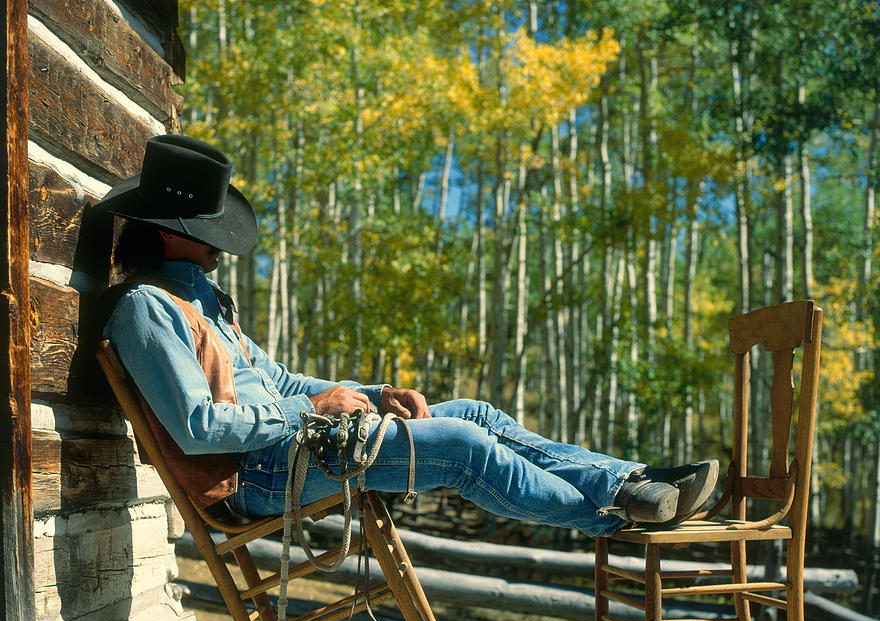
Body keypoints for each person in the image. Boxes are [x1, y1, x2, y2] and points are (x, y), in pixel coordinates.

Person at [92, 134, 717, 537]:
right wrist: (310, 409)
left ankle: (629, 481)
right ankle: (616, 517)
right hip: (255, 475)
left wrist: (369, 391)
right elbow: (199, 428)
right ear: (171, 231)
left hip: (293, 445)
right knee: (463, 445)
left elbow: (274, 380)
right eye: (209, 230)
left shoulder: (198, 298)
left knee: (476, 411)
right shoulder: (147, 309)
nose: (222, 245)